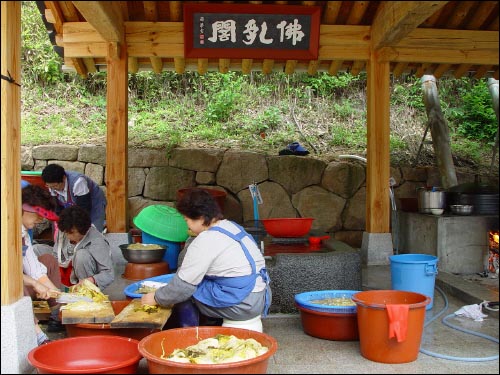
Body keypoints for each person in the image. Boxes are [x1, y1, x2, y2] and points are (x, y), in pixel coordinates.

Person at [141, 188, 272, 332]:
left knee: (186, 293)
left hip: (243, 305)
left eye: (187, 220)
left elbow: (182, 288)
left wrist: (156, 298)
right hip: (261, 297)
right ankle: (214, 324)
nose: (187, 226)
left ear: (201, 218)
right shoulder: (233, 226)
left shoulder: (205, 240)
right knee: (197, 283)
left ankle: (190, 335)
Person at [21, 184, 64, 345]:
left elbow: (35, 270)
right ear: (23, 209)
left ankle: (54, 315)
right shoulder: (8, 230)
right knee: (17, 285)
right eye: (37, 215)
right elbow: (7, 273)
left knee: (48, 260)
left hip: (24, 281)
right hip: (10, 286)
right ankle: (39, 336)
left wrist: (57, 294)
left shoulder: (24, 233)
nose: (40, 220)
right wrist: (34, 284)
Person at [55, 205, 114, 290]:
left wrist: (91, 280)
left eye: (71, 233)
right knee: (37, 249)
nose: (67, 236)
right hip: (65, 276)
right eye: (66, 232)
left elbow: (109, 274)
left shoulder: (97, 241)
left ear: (82, 230)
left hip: (85, 280)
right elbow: (55, 255)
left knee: (81, 255)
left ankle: (85, 293)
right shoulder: (64, 231)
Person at [41, 163, 107, 232]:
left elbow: (84, 208)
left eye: (55, 186)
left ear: (64, 178)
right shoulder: (52, 185)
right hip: (74, 204)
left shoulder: (78, 182)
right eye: (50, 186)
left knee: (92, 229)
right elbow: (57, 208)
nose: (53, 189)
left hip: (93, 202)